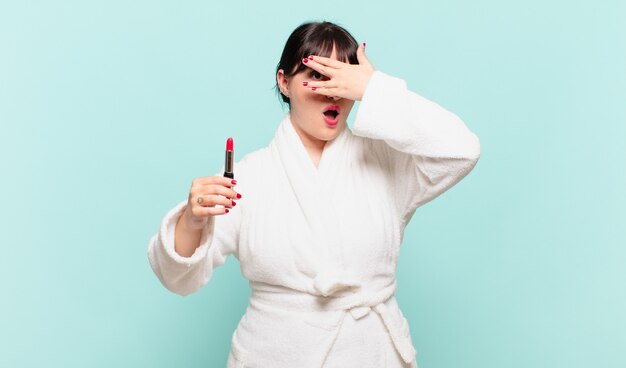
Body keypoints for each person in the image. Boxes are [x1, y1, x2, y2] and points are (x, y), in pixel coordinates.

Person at [147, 21, 480, 368]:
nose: (333, 91)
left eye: (343, 77)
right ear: (284, 82)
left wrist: (374, 89)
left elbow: (462, 150)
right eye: (318, 75)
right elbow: (178, 278)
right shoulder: (249, 176)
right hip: (275, 356)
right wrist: (191, 220)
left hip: (372, 354)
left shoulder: (387, 164)